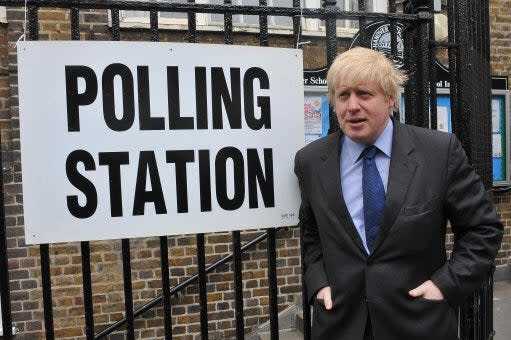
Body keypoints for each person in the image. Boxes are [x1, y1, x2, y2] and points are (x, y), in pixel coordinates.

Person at [294, 47, 503, 340]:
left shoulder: (438, 153)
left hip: (418, 321)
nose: (352, 106)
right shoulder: (311, 161)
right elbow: (312, 232)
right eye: (343, 95)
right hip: (341, 323)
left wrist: (446, 284)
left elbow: (483, 229)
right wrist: (318, 282)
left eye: (364, 94)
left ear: (390, 99)